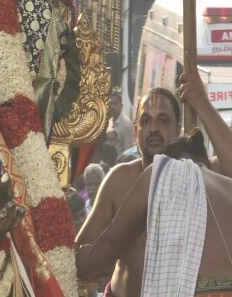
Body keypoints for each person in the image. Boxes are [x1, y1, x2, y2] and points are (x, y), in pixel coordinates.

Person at [77, 130, 232, 294]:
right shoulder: (228, 187)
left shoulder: (160, 173)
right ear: (206, 163)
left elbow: (111, 242)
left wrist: (84, 263)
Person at [76, 87, 182, 296]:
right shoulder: (118, 180)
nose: (153, 129)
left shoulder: (195, 179)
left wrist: (202, 105)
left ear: (178, 130)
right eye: (145, 121)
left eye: (163, 120)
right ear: (135, 132)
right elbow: (80, 255)